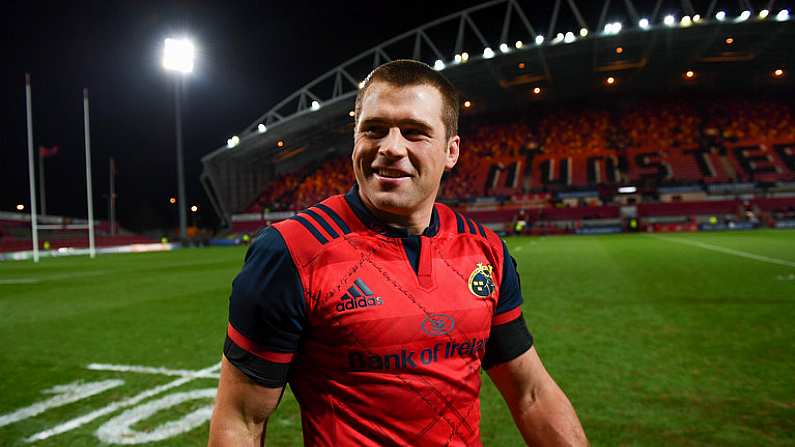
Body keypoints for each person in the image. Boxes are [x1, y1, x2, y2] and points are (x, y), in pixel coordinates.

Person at [208, 60, 588, 446]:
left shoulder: (485, 250)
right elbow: (241, 419)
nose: (390, 147)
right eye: (373, 129)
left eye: (414, 132)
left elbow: (532, 394)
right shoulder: (291, 251)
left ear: (451, 150)